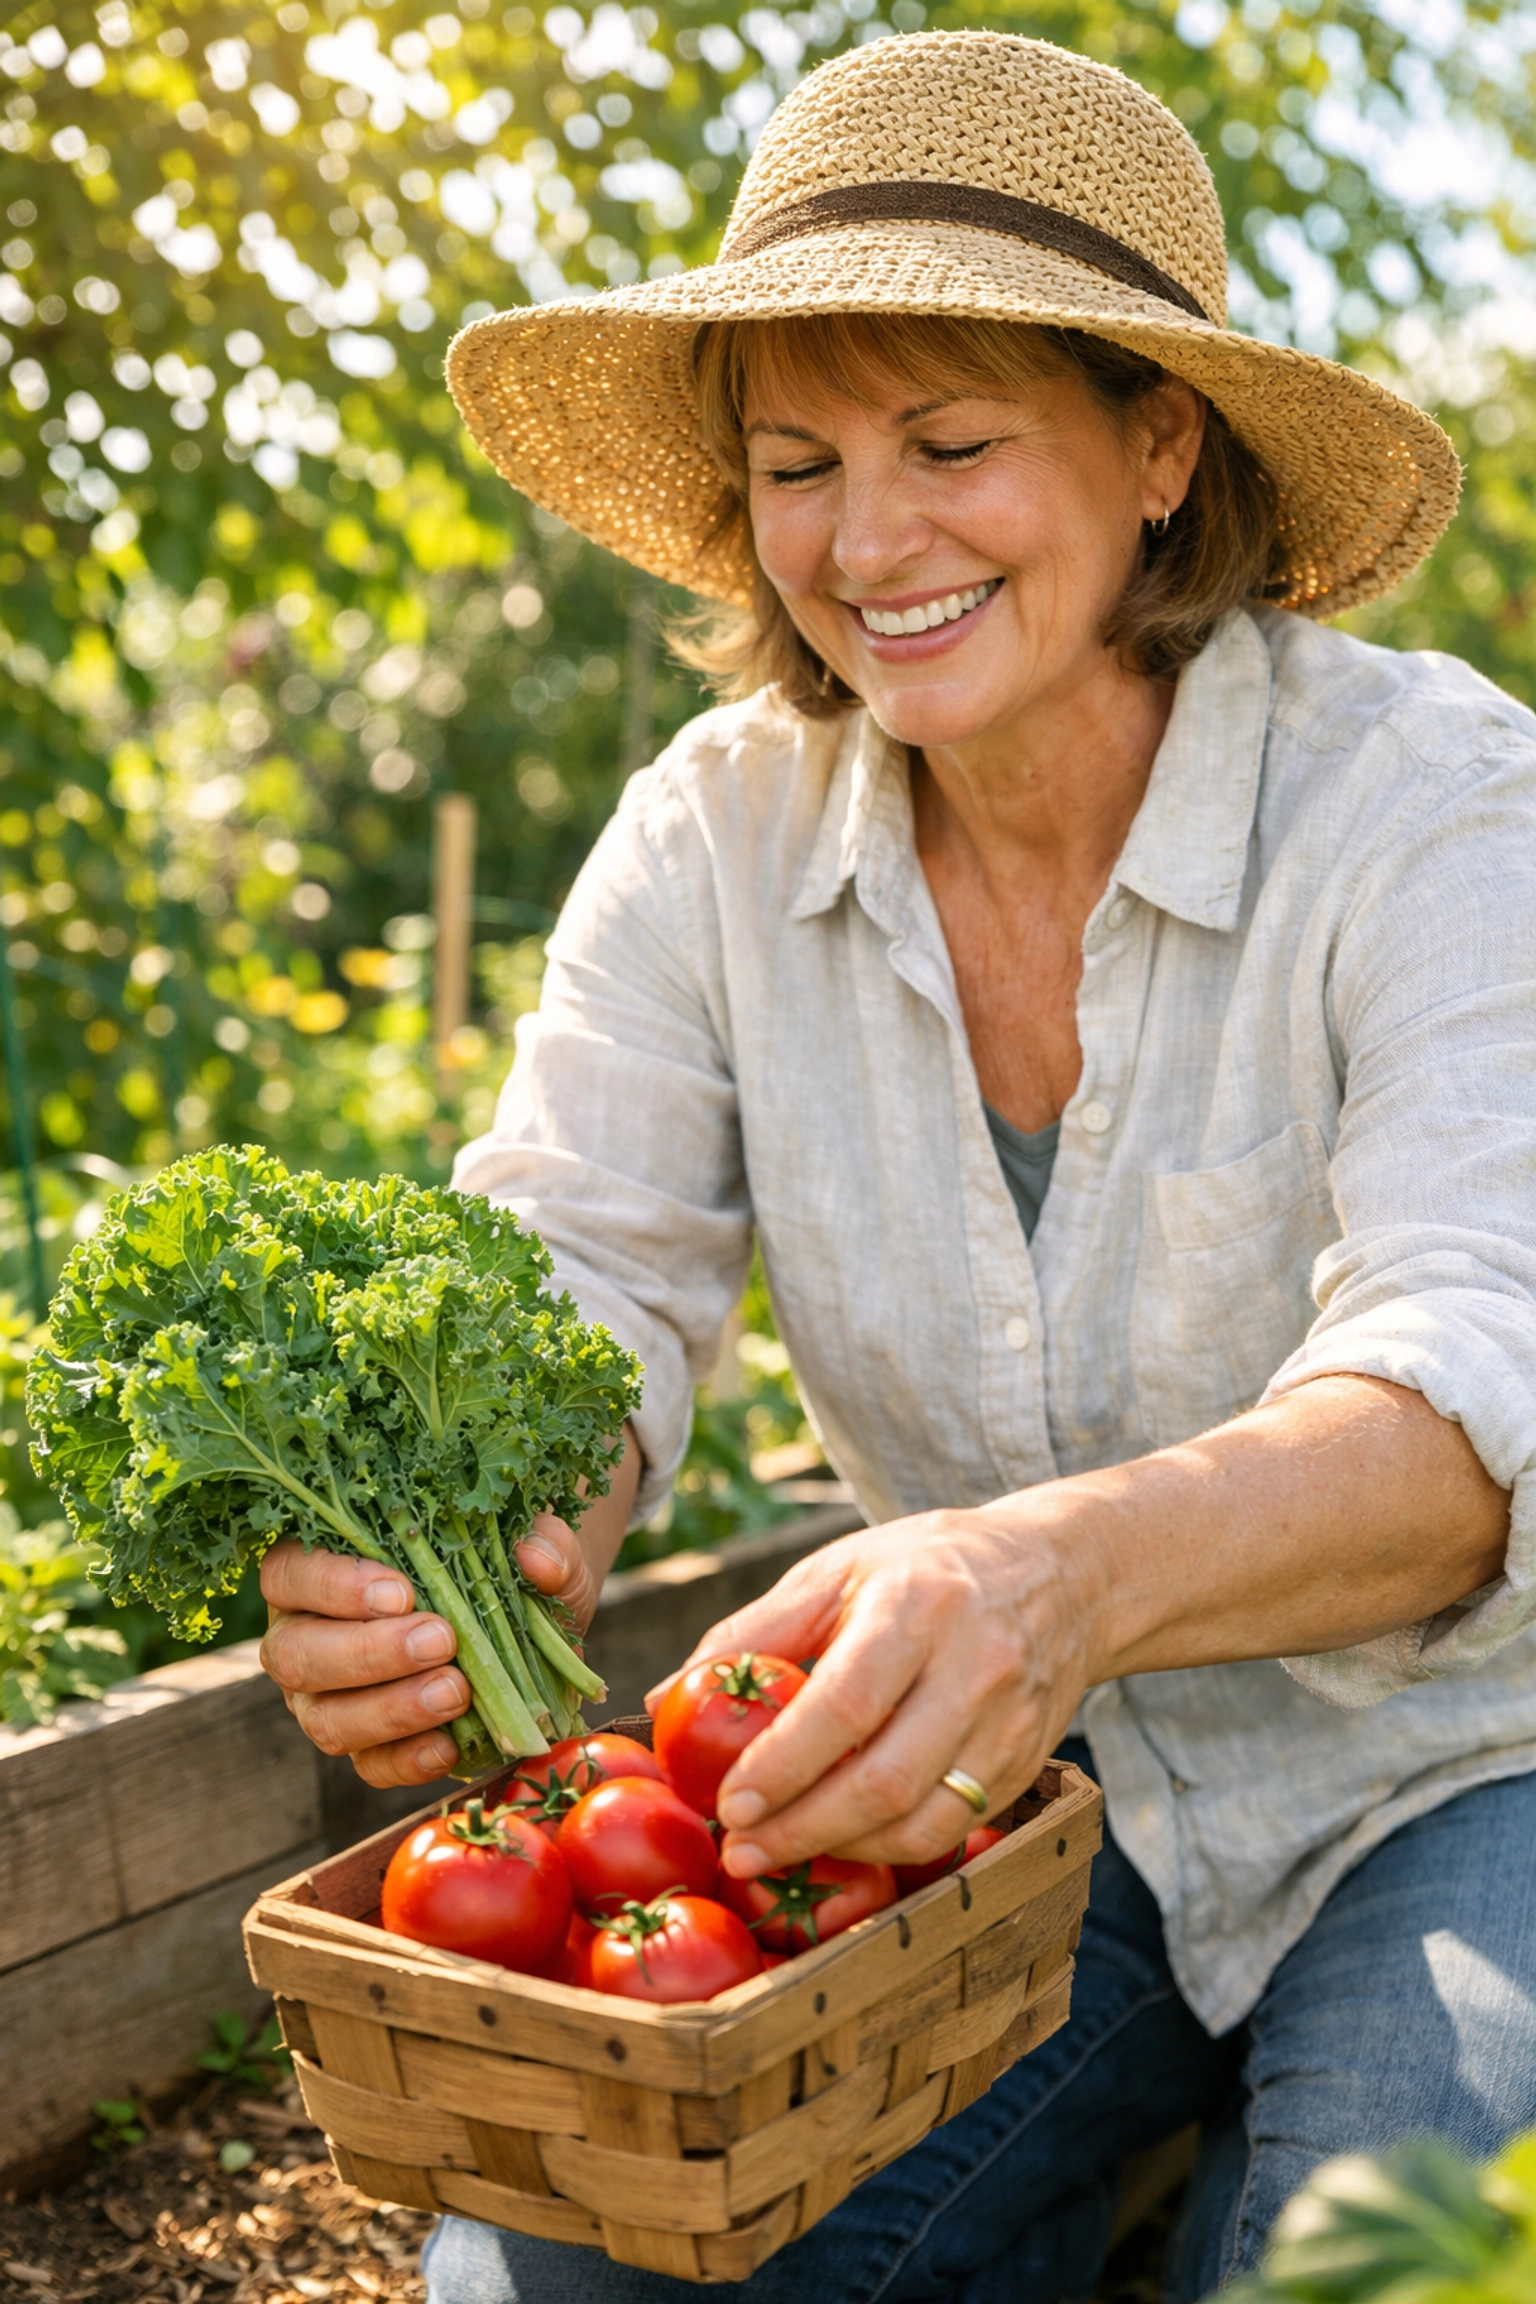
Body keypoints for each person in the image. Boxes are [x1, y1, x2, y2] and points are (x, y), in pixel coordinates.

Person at [257, 30, 1536, 2301]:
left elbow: (1477, 1382)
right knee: (557, 2268)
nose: (867, 542)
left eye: (951, 444)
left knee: (1390, 2265)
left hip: (1461, 1767)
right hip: (1012, 1807)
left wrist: (1059, 1571)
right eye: (797, 464)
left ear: (1162, 448)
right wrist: (500, 1520)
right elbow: (582, 1264)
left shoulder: (1433, 809)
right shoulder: (720, 835)